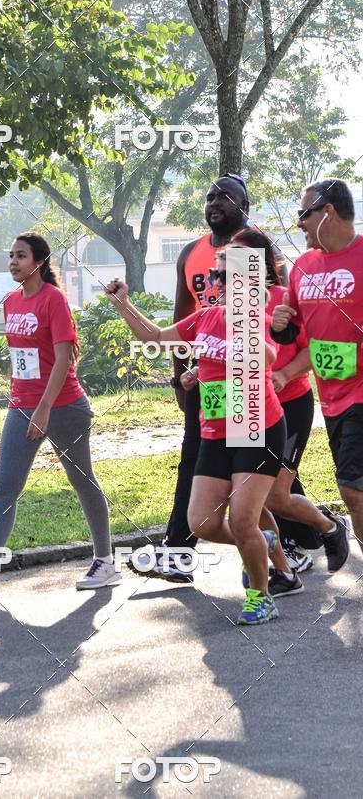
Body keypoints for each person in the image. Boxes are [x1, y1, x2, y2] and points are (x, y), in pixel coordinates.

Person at [106, 248, 287, 626]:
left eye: (224, 276)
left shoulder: (259, 313)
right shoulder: (205, 317)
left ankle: (261, 596)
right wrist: (123, 305)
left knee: (241, 518)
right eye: (214, 274)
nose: (215, 283)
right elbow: (156, 338)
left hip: (255, 423)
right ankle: (259, 541)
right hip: (215, 430)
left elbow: (269, 354)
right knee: (200, 523)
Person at [0, 232, 119, 600]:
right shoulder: (11, 302)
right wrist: (26, 404)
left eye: (20, 256)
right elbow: (21, 361)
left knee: (82, 481)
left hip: (64, 407)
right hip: (21, 406)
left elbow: (63, 360)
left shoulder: (53, 300)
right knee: (6, 487)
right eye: (10, 256)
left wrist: (43, 408)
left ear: (38, 261)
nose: (13, 262)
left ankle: (105, 562)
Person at [143, 174, 287, 583]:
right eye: (209, 196)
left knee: (259, 493)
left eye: (226, 196)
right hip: (210, 387)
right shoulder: (191, 253)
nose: (215, 202)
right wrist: (182, 375)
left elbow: (277, 332)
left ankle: (284, 546)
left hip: (257, 399)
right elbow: (180, 321)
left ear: (245, 204)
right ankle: (183, 550)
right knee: (200, 468)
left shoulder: (257, 250)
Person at [228, 229, 349, 595]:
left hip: (289, 405)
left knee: (275, 496)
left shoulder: (283, 299)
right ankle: (283, 571)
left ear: (260, 262)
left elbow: (315, 348)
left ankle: (329, 528)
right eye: (227, 258)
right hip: (244, 406)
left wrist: (282, 373)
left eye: (239, 256)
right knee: (245, 498)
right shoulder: (232, 304)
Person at [271, 179, 362, 557]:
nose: (300, 224)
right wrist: (281, 322)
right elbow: (296, 329)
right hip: (331, 397)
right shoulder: (304, 267)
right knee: (355, 493)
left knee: (351, 488)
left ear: (329, 212)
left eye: (304, 214)